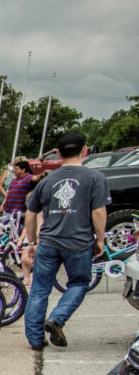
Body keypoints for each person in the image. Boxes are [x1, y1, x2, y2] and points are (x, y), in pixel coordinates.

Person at [24, 131, 111, 350]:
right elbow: (98, 212)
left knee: (39, 289)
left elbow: (30, 214)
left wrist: (32, 242)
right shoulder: (95, 178)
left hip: (48, 243)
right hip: (79, 244)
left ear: (59, 153)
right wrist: (100, 240)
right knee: (79, 283)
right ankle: (57, 319)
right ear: (85, 150)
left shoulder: (47, 180)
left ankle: (35, 339)